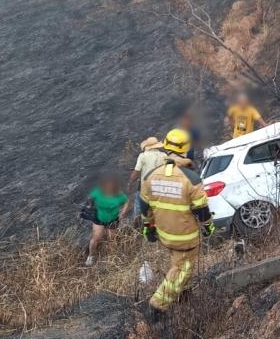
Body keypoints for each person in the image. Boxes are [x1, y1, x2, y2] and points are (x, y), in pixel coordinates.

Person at [139, 128, 216, 316]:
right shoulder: (191, 179)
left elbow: (144, 208)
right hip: (186, 237)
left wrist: (148, 229)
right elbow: (202, 211)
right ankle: (157, 306)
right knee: (183, 270)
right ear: (186, 151)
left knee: (178, 264)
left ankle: (184, 300)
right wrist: (208, 228)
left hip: (165, 235)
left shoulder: (150, 177)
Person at [80, 174, 129, 265]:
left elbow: (126, 201)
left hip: (113, 219)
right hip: (99, 218)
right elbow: (90, 198)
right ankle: (91, 256)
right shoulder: (98, 191)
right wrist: (90, 205)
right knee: (96, 238)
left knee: (112, 239)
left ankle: (113, 257)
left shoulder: (118, 194)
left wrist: (123, 213)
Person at [128, 137, 167, 219]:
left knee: (138, 208)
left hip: (144, 187)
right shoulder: (164, 156)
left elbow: (136, 172)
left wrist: (131, 181)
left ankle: (137, 225)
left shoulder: (142, 156)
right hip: (158, 188)